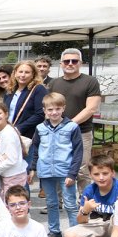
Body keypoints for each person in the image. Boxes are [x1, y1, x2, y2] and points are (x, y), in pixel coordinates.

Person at [29, 92, 83, 237]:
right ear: (45, 110)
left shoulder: (72, 127)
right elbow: (36, 149)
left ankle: (74, 232)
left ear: (63, 108)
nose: (54, 112)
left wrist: (72, 173)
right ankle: (54, 230)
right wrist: (32, 168)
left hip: (65, 171)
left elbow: (78, 152)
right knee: (51, 203)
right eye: (50, 109)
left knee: (70, 203)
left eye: (57, 109)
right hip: (46, 171)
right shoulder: (40, 128)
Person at [47, 48, 103, 188]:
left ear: (81, 63)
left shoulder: (90, 81)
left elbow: (91, 108)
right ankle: (57, 203)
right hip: (57, 133)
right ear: (61, 64)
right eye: (67, 61)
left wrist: (69, 124)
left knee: (82, 170)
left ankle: (84, 204)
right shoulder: (54, 83)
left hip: (81, 132)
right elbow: (48, 106)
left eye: (74, 61)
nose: (70, 64)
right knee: (58, 168)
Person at [64, 154, 118, 237]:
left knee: (117, 215)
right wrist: (85, 210)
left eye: (105, 173)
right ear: (90, 175)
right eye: (96, 174)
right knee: (69, 236)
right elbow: (80, 221)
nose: (101, 178)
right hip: (99, 225)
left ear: (113, 173)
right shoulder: (89, 190)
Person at [0, 104, 28, 191]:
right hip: (8, 175)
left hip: (14, 176)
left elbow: (11, 160)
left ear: (6, 114)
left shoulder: (8, 133)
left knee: (12, 203)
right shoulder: (2, 131)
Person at [7, 60, 47, 139]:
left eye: (27, 72)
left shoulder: (38, 89)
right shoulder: (10, 90)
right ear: (15, 73)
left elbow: (40, 114)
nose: (23, 75)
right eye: (20, 72)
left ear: (33, 75)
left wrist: (19, 128)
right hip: (9, 133)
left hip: (26, 135)